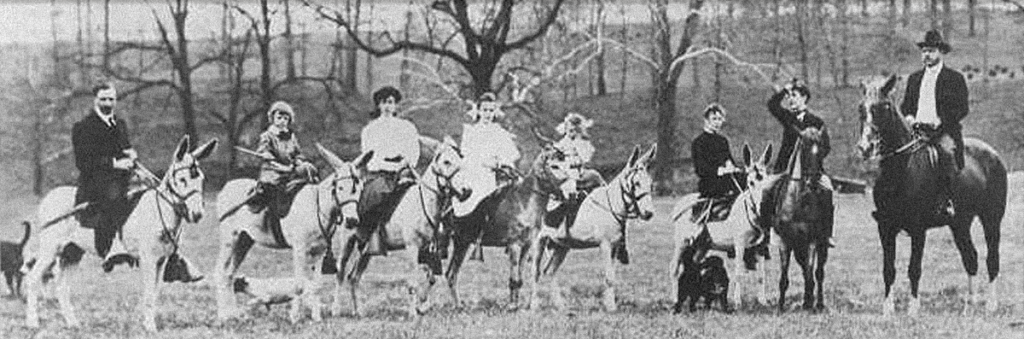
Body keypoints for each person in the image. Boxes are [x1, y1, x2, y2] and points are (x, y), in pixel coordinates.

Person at [72, 83, 200, 281]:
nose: (108, 103)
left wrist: (131, 155)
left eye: (111, 99)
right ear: (95, 100)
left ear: (115, 100)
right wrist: (115, 163)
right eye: (103, 99)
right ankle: (113, 247)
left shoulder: (119, 124)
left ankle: (172, 255)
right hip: (95, 183)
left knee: (156, 198)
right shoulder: (83, 127)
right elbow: (83, 162)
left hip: (121, 179)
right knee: (115, 200)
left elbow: (124, 148)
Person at [899, 29, 968, 221]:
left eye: (931, 51)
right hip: (917, 131)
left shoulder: (954, 78)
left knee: (945, 154)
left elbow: (962, 108)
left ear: (940, 52)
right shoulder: (914, 78)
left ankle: (947, 201)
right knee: (898, 156)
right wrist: (910, 118)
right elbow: (905, 106)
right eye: (924, 51)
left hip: (943, 131)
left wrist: (942, 121)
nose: (926, 55)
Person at [767, 79, 835, 247]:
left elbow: (826, 147)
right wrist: (784, 89)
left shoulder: (816, 122)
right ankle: (768, 230)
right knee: (766, 189)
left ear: (804, 98)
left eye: (794, 96)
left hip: (810, 169)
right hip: (784, 168)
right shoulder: (788, 117)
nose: (790, 100)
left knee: (828, 189)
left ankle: (826, 234)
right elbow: (772, 105)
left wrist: (814, 158)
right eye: (789, 97)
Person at [358, 86, 420, 256]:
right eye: (384, 102)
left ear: (395, 105)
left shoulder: (406, 127)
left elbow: (414, 151)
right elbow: (369, 157)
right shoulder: (370, 130)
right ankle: (373, 237)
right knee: (377, 194)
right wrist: (390, 167)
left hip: (404, 170)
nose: (387, 106)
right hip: (380, 173)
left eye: (391, 102)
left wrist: (405, 164)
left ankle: (432, 243)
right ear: (378, 105)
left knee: (425, 195)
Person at [251, 101, 318, 234]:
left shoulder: (291, 136)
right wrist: (274, 161)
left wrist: (298, 162)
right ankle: (270, 219)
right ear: (272, 119)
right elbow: (263, 153)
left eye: (286, 118)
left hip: (289, 169)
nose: (282, 121)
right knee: (275, 188)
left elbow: (298, 153)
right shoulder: (267, 135)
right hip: (272, 171)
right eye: (279, 118)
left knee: (310, 170)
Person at [453, 92, 521, 218]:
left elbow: (512, 155)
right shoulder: (471, 132)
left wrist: (500, 162)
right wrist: (483, 162)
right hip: (473, 174)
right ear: (479, 111)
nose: (488, 114)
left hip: (493, 176)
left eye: (491, 110)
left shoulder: (500, 132)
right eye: (485, 110)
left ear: (495, 112)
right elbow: (467, 155)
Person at [546, 112, 605, 232]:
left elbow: (586, 158)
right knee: (570, 187)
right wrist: (563, 162)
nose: (571, 133)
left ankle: (604, 200)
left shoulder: (580, 142)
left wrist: (577, 158)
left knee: (595, 175)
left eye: (574, 130)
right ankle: (569, 219)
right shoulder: (561, 144)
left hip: (579, 173)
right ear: (566, 129)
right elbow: (554, 161)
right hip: (565, 174)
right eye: (569, 130)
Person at [690, 104, 743, 223]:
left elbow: (729, 160)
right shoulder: (698, 142)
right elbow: (700, 169)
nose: (717, 123)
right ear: (706, 120)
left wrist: (733, 167)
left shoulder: (722, 141)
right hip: (709, 181)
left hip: (727, 178)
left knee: (746, 180)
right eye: (714, 119)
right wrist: (719, 171)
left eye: (720, 119)